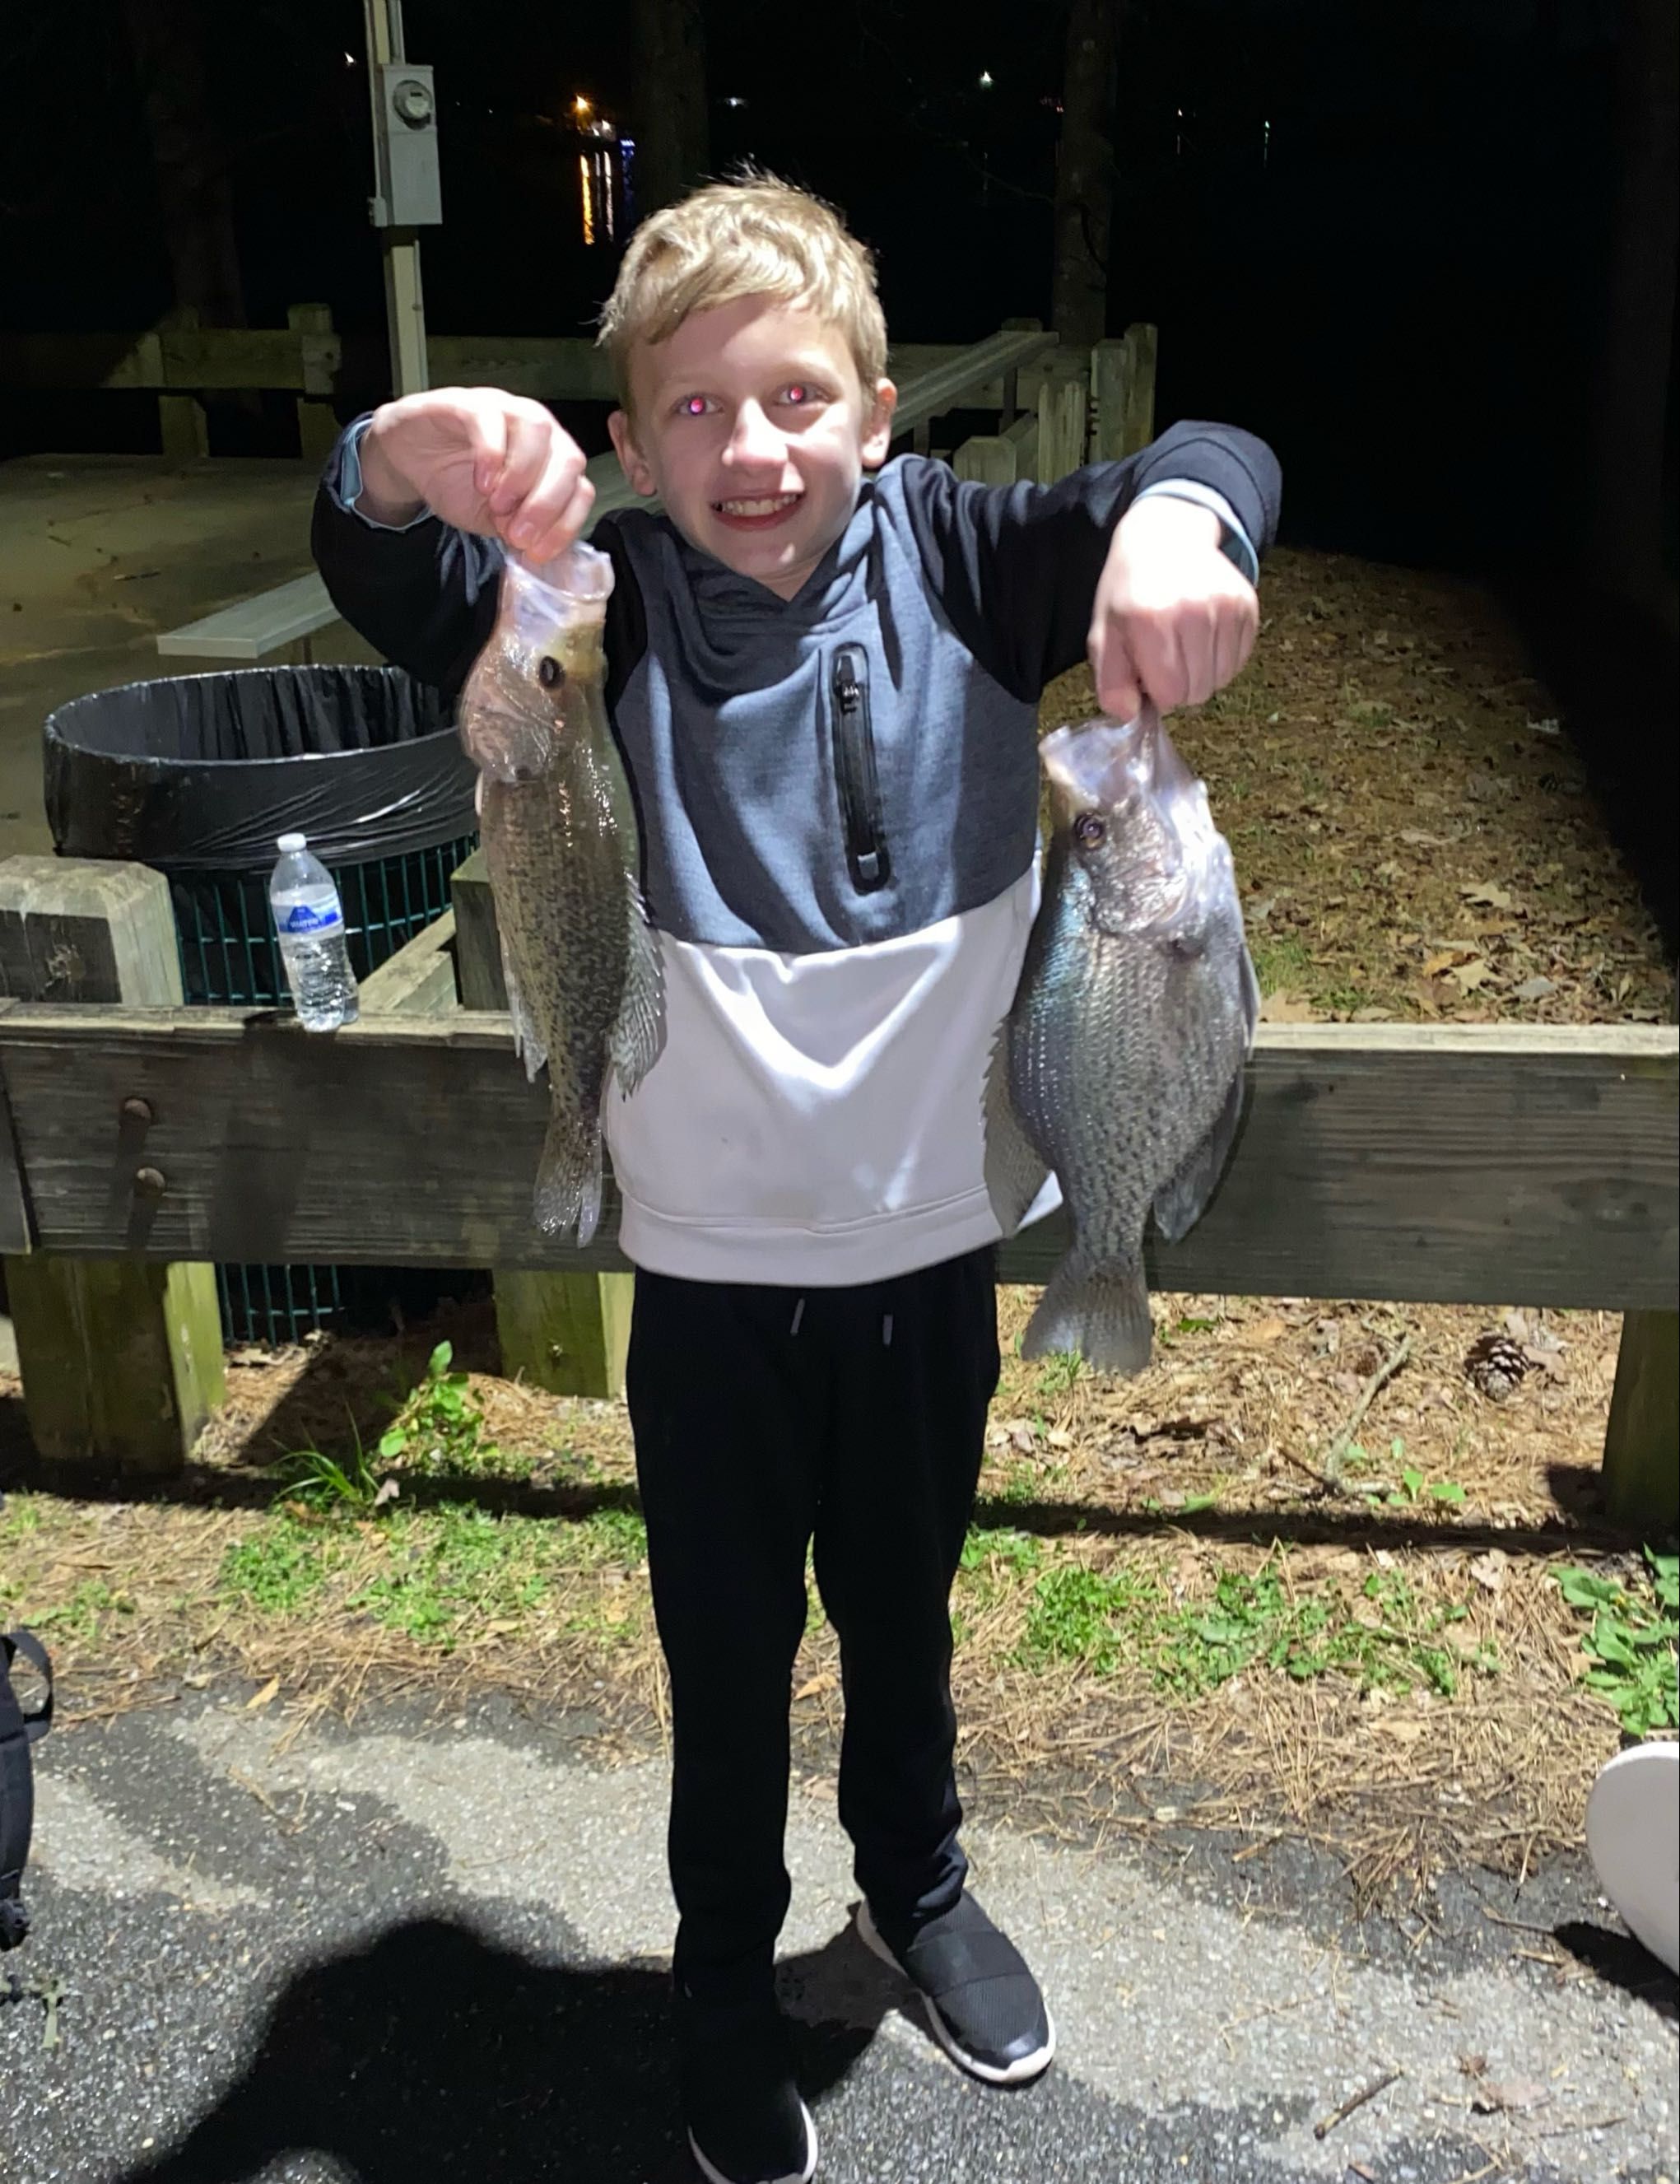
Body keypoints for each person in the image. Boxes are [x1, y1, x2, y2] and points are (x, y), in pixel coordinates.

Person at [312, 175, 1280, 2184]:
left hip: (933, 1251)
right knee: (727, 1647)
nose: (748, 450)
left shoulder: (968, 561)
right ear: (631, 445)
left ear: (876, 410)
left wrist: (1184, 525)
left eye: (792, 398)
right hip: (711, 1273)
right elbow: (383, 575)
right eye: (692, 410)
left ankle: (912, 1889)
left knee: (905, 1610)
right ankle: (720, 1976)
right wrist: (396, 460)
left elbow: (1215, 451)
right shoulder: (611, 608)